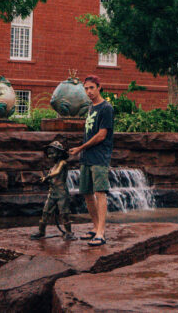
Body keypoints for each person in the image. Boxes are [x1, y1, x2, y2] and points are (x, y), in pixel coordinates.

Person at [69, 75, 113, 247]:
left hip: (100, 156)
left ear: (99, 87)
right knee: (87, 193)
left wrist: (80, 148)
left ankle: (101, 233)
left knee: (100, 192)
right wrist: (82, 151)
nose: (88, 91)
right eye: (86, 89)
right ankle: (95, 228)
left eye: (91, 88)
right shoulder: (90, 108)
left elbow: (102, 135)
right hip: (87, 157)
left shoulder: (106, 108)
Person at [30, 141, 76, 241]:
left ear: (59, 153)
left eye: (52, 153)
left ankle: (69, 232)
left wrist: (47, 177)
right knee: (45, 212)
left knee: (64, 213)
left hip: (62, 193)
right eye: (49, 153)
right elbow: (53, 176)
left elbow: (58, 172)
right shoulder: (52, 166)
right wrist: (47, 180)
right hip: (53, 192)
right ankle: (41, 232)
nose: (50, 156)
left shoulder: (62, 163)